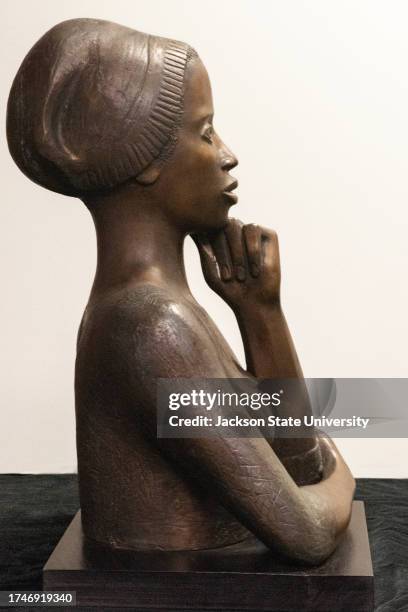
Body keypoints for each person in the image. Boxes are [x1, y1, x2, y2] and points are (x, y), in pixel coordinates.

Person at [7, 18, 355, 564]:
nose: (227, 155)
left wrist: (261, 313)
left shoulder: (165, 312)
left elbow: (297, 460)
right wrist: (346, 478)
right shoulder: (151, 327)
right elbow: (306, 533)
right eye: (206, 131)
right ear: (145, 162)